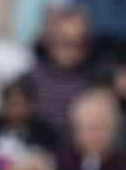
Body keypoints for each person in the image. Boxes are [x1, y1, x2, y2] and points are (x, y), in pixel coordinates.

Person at [27, 8, 97, 138]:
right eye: (64, 41)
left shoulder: (96, 80)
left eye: (78, 43)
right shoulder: (31, 77)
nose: (71, 50)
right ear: (49, 41)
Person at [0, 78, 61, 159]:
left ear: (30, 106)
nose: (15, 110)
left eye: (19, 104)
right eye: (11, 104)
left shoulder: (44, 133)